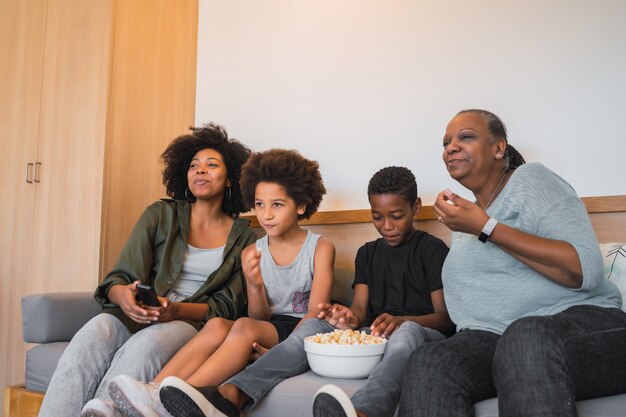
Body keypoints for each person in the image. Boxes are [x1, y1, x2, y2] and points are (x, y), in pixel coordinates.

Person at [156, 166, 454, 417]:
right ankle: (230, 397)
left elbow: (445, 318)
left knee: (407, 333)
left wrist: (403, 321)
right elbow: (360, 313)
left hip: (416, 333)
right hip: (372, 337)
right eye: (378, 217)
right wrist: (346, 316)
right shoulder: (367, 253)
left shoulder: (431, 250)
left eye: (397, 216)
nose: (387, 225)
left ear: (415, 208)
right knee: (314, 325)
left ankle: (364, 410)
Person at [398, 109, 626, 417]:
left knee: (526, 336)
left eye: (465, 137)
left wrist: (487, 228)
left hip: (585, 327)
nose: (450, 147)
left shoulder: (530, 180)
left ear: (498, 148)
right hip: (496, 340)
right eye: (446, 142)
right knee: (430, 360)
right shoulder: (466, 220)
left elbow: (584, 268)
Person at [39, 124, 257, 417]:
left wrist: (175, 311)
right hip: (136, 312)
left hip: (187, 322)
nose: (200, 171)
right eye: (194, 166)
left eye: (211, 165)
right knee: (92, 332)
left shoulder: (246, 238)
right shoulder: (160, 214)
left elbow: (227, 307)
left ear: (231, 176)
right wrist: (123, 296)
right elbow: (119, 278)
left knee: (147, 345)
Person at [103, 148, 335, 417]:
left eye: (277, 205)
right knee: (216, 324)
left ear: (302, 205)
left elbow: (316, 312)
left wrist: (281, 353)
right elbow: (260, 316)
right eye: (259, 204)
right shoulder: (252, 252)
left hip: (302, 329)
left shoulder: (320, 248)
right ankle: (154, 390)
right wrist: (255, 284)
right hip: (269, 327)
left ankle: (181, 397)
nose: (266, 214)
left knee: (244, 326)